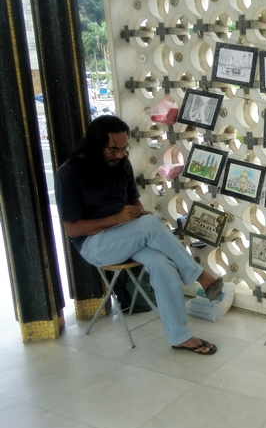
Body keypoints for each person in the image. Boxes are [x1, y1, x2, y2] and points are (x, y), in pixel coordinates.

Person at [54, 115, 223, 355]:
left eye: (123, 149)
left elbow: (133, 201)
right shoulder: (69, 173)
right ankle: (201, 277)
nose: (118, 155)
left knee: (163, 264)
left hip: (128, 235)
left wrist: (137, 213)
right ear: (94, 144)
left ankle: (179, 336)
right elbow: (72, 229)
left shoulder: (121, 164)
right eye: (112, 149)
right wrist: (118, 219)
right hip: (94, 244)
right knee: (150, 225)